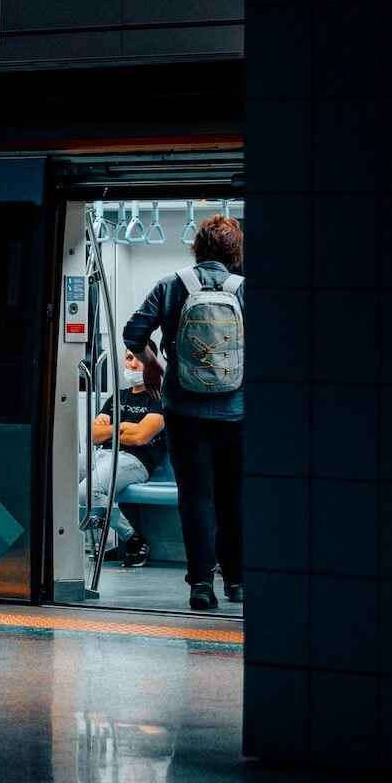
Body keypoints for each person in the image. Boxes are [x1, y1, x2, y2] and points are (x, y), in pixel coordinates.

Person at [123, 214, 245, 612]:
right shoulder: (246, 290)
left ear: (198, 249)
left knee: (195, 496)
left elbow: (133, 334)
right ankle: (238, 581)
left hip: (183, 409)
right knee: (233, 497)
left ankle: (201, 584)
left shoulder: (171, 285)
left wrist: (151, 363)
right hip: (236, 412)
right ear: (235, 254)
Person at [79, 348, 166, 568]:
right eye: (129, 358)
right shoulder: (117, 397)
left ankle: (132, 538)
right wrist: (124, 426)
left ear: (150, 364)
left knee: (87, 492)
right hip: (100, 455)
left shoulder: (159, 399)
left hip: (134, 460)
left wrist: (111, 429)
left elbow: (140, 438)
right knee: (54, 470)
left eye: (139, 359)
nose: (133, 364)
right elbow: (93, 435)